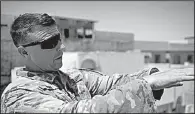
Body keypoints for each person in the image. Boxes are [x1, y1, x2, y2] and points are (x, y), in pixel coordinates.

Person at [1, 13, 194, 113]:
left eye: (58, 39)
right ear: (24, 51)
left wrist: (151, 76)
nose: (61, 47)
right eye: (50, 43)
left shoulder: (72, 77)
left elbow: (110, 83)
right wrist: (146, 85)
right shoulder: (18, 96)